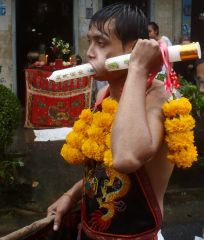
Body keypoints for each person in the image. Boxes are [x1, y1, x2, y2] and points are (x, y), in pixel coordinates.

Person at [47, 4, 173, 239]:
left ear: (134, 49)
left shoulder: (158, 98)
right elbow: (104, 170)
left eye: (101, 43)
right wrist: (71, 196)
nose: (90, 52)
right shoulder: (102, 95)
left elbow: (125, 158)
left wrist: (137, 66)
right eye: (90, 42)